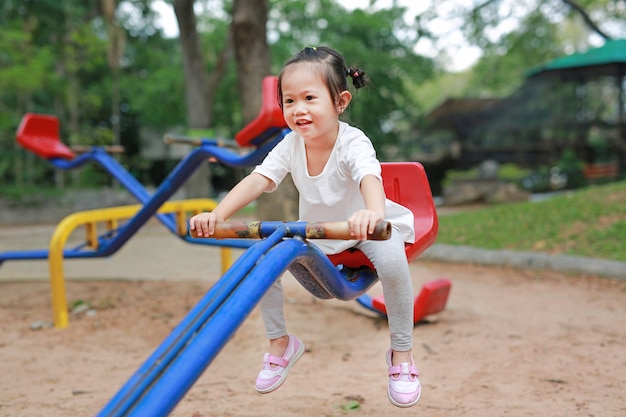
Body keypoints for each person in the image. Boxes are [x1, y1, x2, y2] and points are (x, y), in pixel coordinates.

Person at [189, 46, 420, 408]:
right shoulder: (289, 145)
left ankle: (402, 354)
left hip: (366, 228)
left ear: (340, 102)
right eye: (289, 101)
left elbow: (369, 177)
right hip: (321, 234)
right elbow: (258, 180)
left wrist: (373, 215)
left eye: (310, 98)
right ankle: (280, 342)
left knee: (392, 260)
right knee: (264, 256)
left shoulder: (352, 141)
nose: (298, 109)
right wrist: (217, 214)